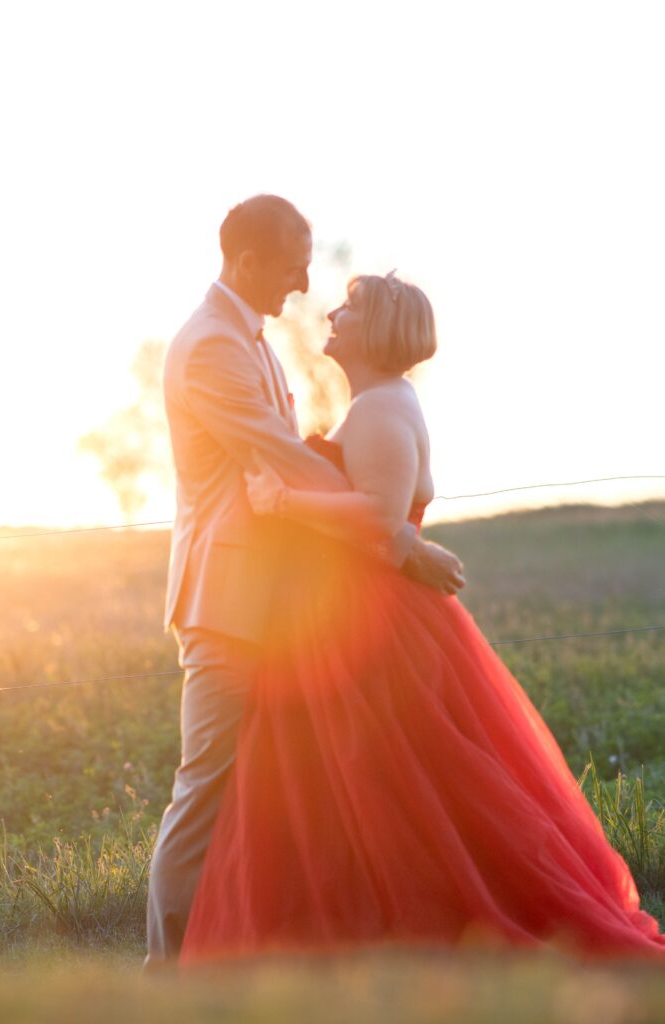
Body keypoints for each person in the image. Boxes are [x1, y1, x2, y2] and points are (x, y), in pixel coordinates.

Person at [180, 272, 665, 963]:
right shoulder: (375, 402)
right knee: (378, 780)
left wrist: (282, 503)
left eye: (349, 308)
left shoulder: (380, 407)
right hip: (362, 613)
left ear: (375, 328)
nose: (333, 315)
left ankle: (427, 923)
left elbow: (377, 516)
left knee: (404, 778)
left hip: (379, 619)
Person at [145, 197, 466, 969]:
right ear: (247, 259)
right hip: (227, 600)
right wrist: (392, 537)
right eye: (294, 261)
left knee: (279, 794)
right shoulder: (211, 347)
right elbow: (276, 457)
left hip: (279, 605)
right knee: (206, 793)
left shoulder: (249, 339)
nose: (302, 280)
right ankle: (164, 976)